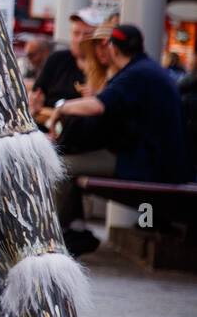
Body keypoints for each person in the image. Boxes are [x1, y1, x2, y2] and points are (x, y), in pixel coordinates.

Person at [48, 24, 194, 256]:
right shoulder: (145, 69)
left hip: (149, 164)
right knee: (68, 161)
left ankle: (65, 235)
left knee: (60, 166)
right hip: (156, 159)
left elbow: (98, 106)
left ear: (114, 49)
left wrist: (61, 107)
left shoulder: (136, 75)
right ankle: (75, 231)